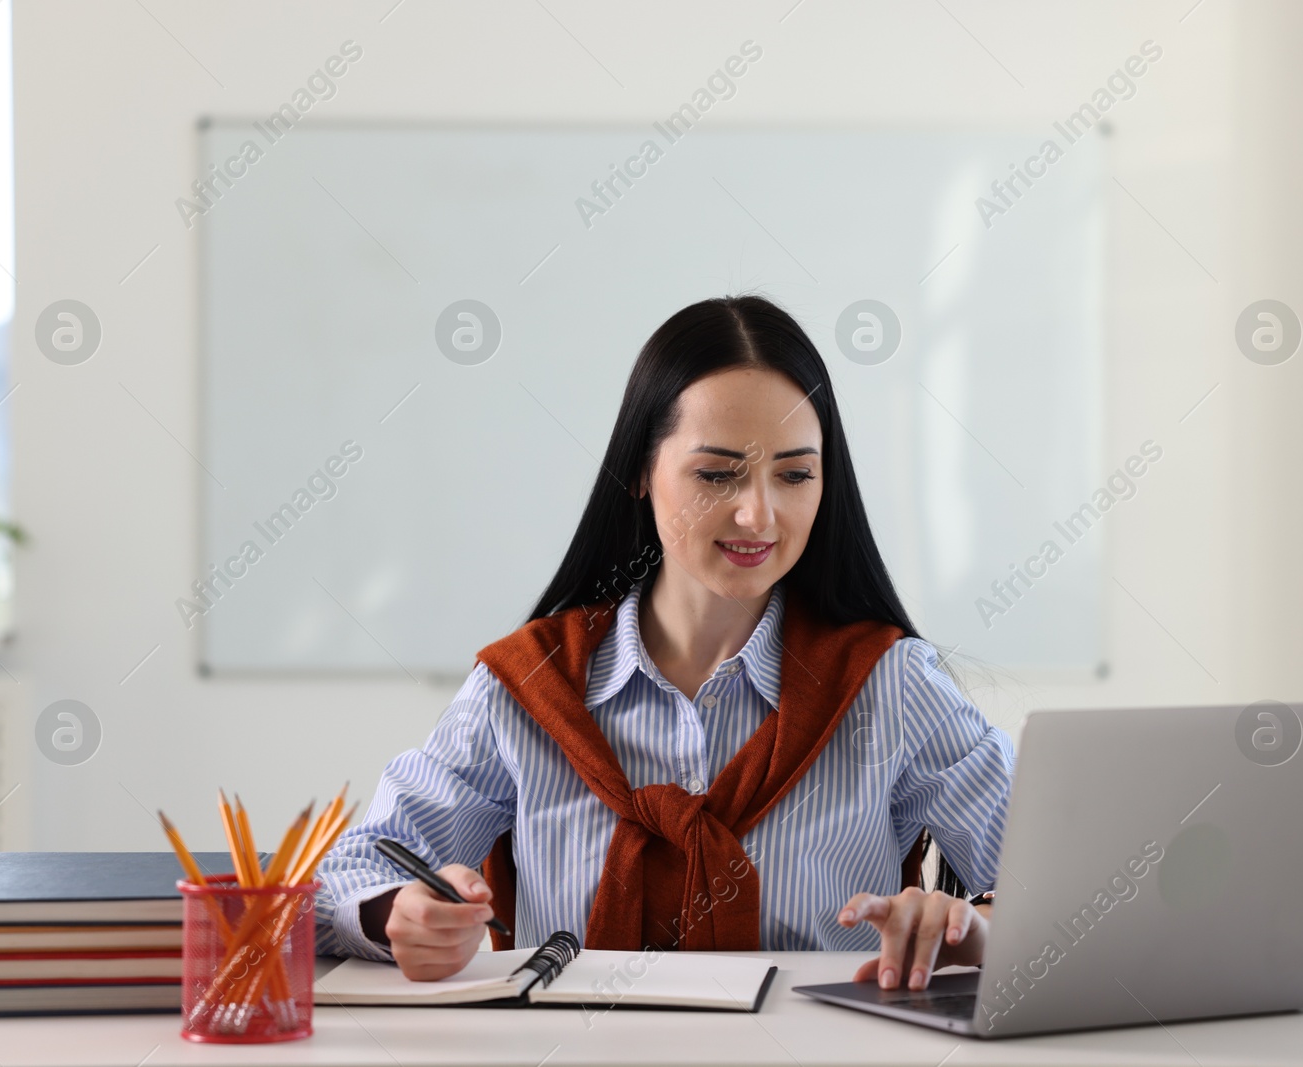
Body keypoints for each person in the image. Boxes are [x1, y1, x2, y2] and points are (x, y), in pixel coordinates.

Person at [315, 294, 1013, 993]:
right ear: (641, 472)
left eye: (796, 474)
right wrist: (397, 912)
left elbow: (1073, 895)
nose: (758, 513)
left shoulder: (889, 684)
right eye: (717, 473)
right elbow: (345, 877)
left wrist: (973, 928)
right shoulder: (531, 685)